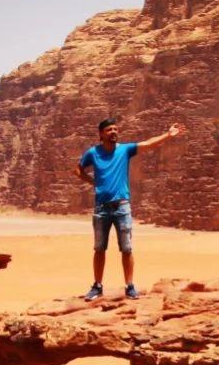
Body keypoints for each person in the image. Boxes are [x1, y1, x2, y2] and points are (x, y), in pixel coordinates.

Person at [77, 118, 185, 300]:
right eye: (109, 129)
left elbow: (147, 144)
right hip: (101, 208)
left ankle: (130, 286)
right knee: (99, 249)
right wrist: (94, 182)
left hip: (122, 206)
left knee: (126, 249)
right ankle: (97, 286)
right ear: (101, 134)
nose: (113, 132)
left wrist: (167, 135)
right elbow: (78, 170)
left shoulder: (124, 150)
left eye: (115, 129)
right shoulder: (93, 153)